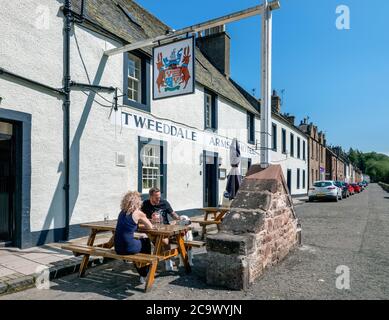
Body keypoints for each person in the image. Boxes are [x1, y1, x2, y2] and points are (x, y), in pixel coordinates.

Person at [114, 191, 154, 284]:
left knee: (139, 240)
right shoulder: (138, 213)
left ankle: (142, 272)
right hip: (128, 248)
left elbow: (127, 228)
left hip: (117, 248)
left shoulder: (121, 213)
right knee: (145, 240)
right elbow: (150, 227)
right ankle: (144, 274)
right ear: (137, 202)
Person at [141, 187, 180, 271]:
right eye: (156, 197)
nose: (159, 198)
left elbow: (173, 214)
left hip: (165, 228)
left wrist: (179, 219)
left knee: (164, 241)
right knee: (146, 238)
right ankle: (154, 259)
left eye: (159, 196)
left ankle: (167, 260)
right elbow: (141, 217)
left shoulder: (164, 202)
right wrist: (150, 220)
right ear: (150, 196)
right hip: (152, 229)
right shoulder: (145, 204)